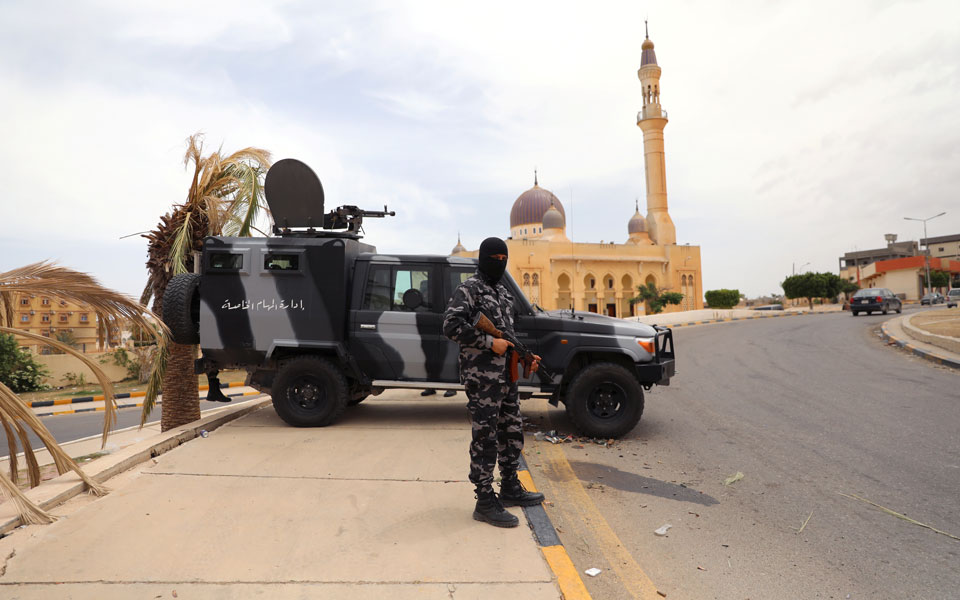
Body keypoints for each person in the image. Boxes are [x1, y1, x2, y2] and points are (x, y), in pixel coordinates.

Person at [443, 237, 544, 528]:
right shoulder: (469, 289)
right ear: (483, 258)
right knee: (485, 436)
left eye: (503, 259)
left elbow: (507, 336)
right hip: (482, 378)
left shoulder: (503, 293)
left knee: (511, 431)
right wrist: (488, 343)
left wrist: (524, 356)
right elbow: (451, 325)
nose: (499, 263)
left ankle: (510, 486)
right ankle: (485, 500)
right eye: (494, 258)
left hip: (506, 377)